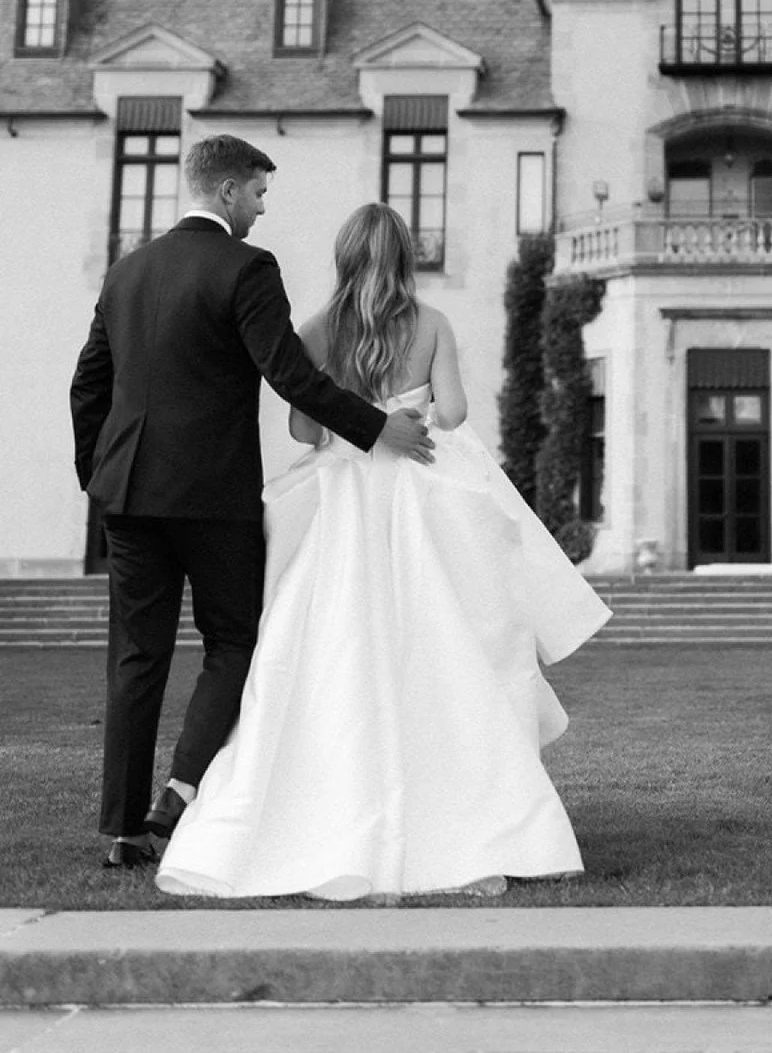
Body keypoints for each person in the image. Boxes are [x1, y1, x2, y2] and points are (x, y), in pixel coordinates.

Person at [156, 202, 611, 900]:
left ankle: (313, 813)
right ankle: (469, 818)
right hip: (416, 501)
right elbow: (453, 415)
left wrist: (351, 414)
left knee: (326, 647)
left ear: (344, 257)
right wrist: (411, 408)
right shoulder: (432, 323)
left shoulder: (318, 329)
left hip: (342, 501)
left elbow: (305, 429)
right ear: (405, 256)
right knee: (439, 645)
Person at [70, 138, 435, 872]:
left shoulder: (126, 271)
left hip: (128, 497)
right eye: (260, 193)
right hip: (214, 497)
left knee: (135, 658)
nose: (263, 208)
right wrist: (377, 428)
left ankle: (123, 832)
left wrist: (98, 477)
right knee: (234, 644)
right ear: (230, 191)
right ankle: (179, 792)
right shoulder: (248, 268)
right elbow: (292, 376)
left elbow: (88, 384)